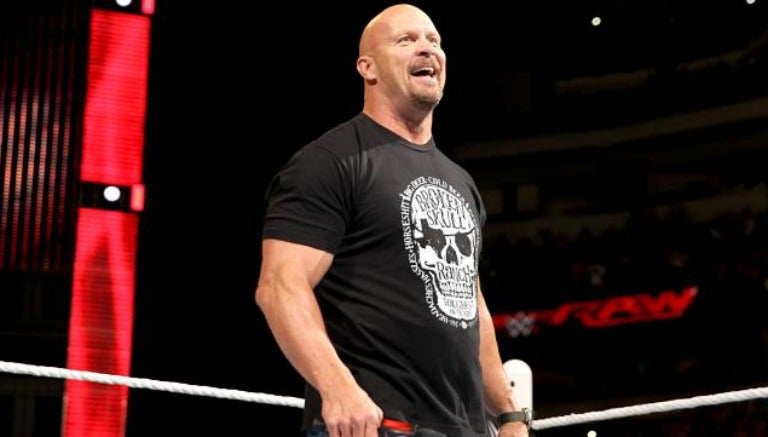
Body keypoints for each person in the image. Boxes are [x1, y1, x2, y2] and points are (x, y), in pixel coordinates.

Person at [255, 4, 530, 437]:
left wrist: (508, 413)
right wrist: (338, 388)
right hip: (377, 425)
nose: (427, 49)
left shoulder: (460, 181)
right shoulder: (329, 163)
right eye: (406, 40)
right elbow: (279, 286)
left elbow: (469, 303)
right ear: (367, 68)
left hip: (466, 429)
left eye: (434, 40)